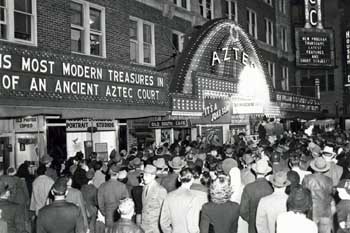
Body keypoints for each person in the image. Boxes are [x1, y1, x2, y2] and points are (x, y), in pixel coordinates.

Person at [160, 167, 203, 233]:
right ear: (192, 179)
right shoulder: (193, 198)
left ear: (179, 179)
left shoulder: (169, 196)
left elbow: (163, 222)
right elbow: (193, 226)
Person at [240, 159, 273, 233]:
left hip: (253, 226)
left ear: (254, 171)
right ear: (266, 172)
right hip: (268, 225)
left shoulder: (248, 188)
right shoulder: (271, 187)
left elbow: (242, 210)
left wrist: (251, 219)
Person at [302, 157, 334, 233]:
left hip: (311, 210)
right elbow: (330, 195)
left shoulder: (307, 178)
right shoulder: (329, 180)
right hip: (325, 210)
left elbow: (303, 194)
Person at [98, 164, 129, 231]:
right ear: (118, 174)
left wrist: (104, 212)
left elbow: (100, 203)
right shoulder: (122, 186)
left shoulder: (102, 186)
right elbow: (127, 202)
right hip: (120, 214)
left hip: (108, 214)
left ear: (109, 174)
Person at [141, 164, 167, 233]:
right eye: (143, 175)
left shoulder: (160, 190)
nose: (144, 178)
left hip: (154, 228)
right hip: (144, 226)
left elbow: (165, 212)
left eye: (146, 176)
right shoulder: (145, 187)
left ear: (153, 176)